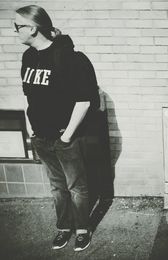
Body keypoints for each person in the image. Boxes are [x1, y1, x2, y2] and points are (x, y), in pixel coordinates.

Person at [15, 5, 100, 251]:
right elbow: (30, 96)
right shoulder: (28, 57)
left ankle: (82, 229)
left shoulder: (72, 58)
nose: (15, 32)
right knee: (57, 187)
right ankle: (64, 227)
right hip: (41, 136)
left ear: (32, 28)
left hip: (66, 136)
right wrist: (33, 129)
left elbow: (84, 101)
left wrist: (68, 135)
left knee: (76, 186)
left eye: (17, 27)